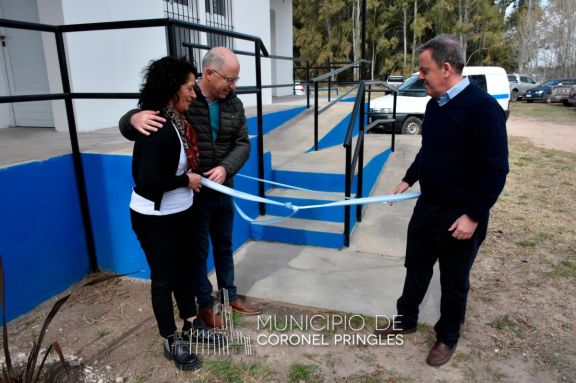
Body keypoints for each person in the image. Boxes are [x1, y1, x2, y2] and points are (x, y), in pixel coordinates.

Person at [374, 35, 509, 367]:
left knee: (453, 280)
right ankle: (405, 319)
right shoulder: (435, 105)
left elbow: (496, 169)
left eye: (425, 70)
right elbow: (428, 152)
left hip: (460, 216)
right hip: (428, 207)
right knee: (416, 266)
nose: (421, 76)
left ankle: (448, 336)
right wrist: (408, 178)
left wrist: (474, 216)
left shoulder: (483, 109)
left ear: (446, 69)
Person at [120, 47, 261, 329]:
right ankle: (205, 308)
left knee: (223, 246)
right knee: (196, 254)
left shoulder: (234, 103)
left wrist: (225, 168)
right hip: (193, 194)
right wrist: (132, 118)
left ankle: (228, 296)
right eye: (229, 80)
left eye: (235, 81)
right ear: (209, 74)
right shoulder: (182, 97)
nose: (232, 86)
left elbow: (243, 143)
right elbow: (146, 114)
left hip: (222, 189)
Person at [129, 56, 226, 371]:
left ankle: (191, 324)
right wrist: (188, 180)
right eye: (188, 87)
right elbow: (146, 182)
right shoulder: (158, 127)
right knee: (164, 278)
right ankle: (171, 339)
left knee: (186, 270)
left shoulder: (178, 121)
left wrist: (190, 180)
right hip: (155, 219)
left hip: (181, 210)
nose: (194, 93)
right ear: (172, 89)